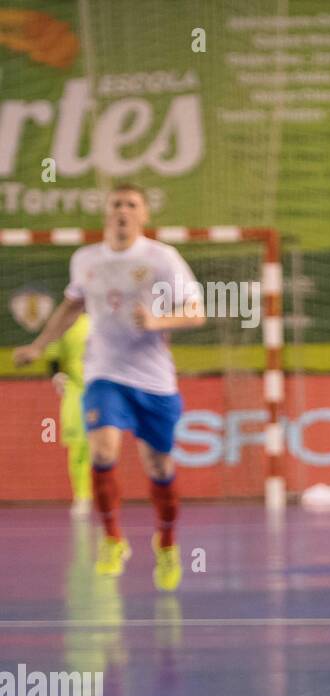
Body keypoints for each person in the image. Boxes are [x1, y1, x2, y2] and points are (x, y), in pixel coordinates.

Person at [12, 184, 205, 591]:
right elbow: (72, 304)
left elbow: (195, 312)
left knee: (159, 466)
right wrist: (39, 345)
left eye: (131, 205)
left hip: (153, 378)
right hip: (103, 373)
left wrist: (157, 322)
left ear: (144, 215)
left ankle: (167, 544)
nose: (122, 210)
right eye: (116, 204)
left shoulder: (161, 258)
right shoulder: (86, 260)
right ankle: (113, 540)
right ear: (106, 213)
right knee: (102, 450)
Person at [43, 312, 93, 515]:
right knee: (77, 447)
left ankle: (101, 492)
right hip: (75, 393)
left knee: (100, 447)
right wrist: (56, 374)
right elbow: (53, 354)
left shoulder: (104, 321)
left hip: (101, 391)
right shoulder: (65, 323)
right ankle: (82, 496)